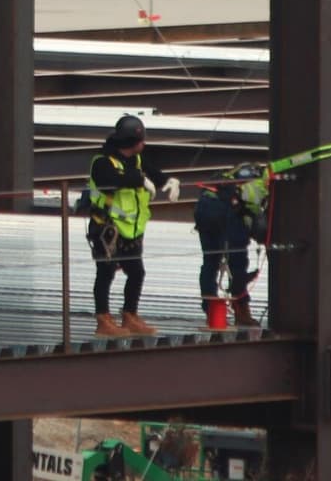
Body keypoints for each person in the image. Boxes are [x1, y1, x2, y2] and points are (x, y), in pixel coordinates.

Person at [84, 114, 178, 337]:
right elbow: (112, 180)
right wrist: (140, 181)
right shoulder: (102, 162)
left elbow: (152, 172)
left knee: (137, 272)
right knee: (105, 273)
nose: (143, 144)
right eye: (141, 140)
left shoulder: (136, 159)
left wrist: (168, 182)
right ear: (131, 143)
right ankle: (103, 319)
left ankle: (130, 314)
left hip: (131, 230)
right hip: (107, 227)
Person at [194, 162, 267, 329]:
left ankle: (211, 313)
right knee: (238, 262)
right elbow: (254, 217)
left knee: (210, 263)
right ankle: (241, 311)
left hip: (204, 209)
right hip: (224, 211)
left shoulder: (236, 175)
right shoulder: (261, 186)